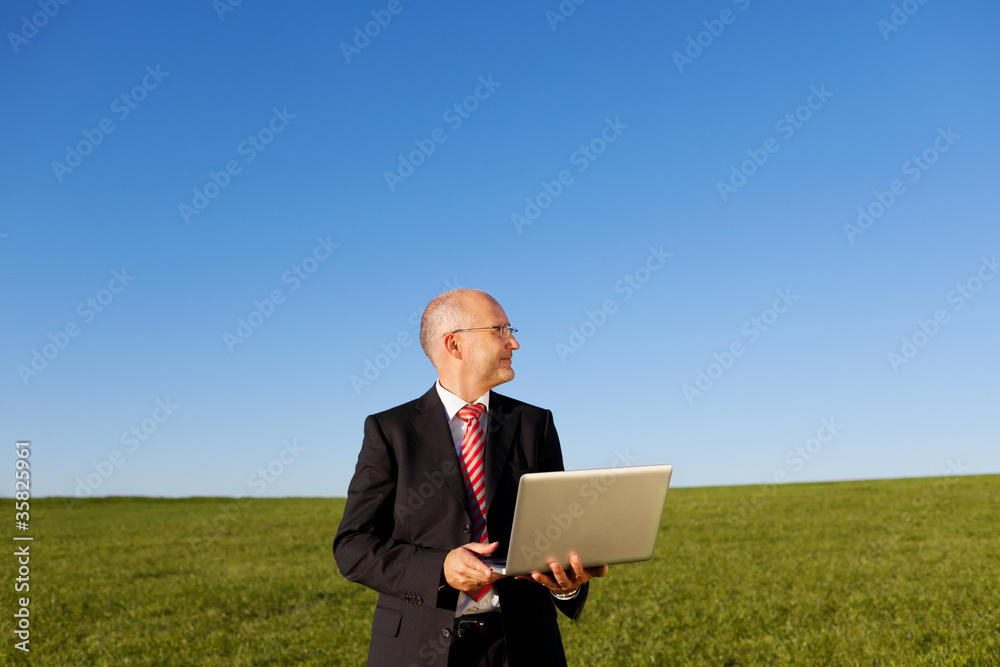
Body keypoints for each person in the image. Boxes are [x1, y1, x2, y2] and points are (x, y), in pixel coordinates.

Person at [334, 289, 607, 667]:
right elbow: (353, 545)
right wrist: (440, 569)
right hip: (416, 650)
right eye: (499, 329)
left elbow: (554, 532)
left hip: (523, 647)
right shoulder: (390, 430)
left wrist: (566, 585)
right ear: (454, 344)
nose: (514, 341)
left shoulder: (534, 424)